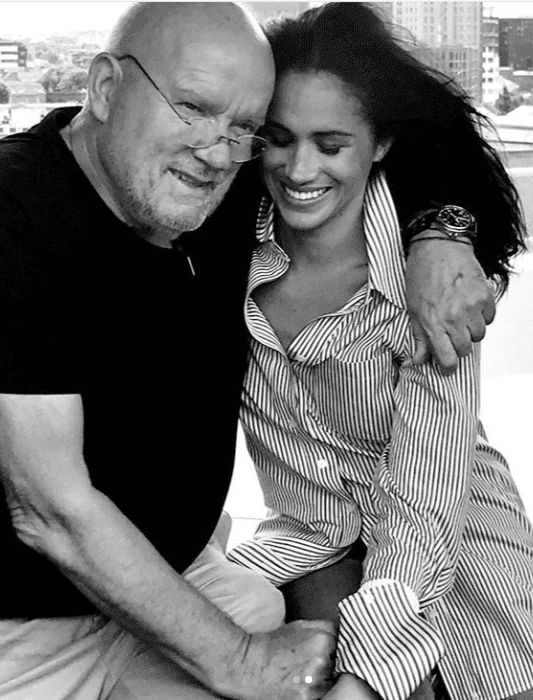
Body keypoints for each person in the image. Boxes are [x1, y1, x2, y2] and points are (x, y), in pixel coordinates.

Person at [0, 3, 495, 700]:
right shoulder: (16, 212)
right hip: (27, 627)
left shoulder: (212, 194)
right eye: (192, 107)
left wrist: (440, 229)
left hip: (174, 586)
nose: (214, 150)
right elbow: (51, 511)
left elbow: (394, 136)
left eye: (241, 129)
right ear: (106, 88)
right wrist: (237, 659)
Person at [225, 4, 533, 700]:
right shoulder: (226, 247)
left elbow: (426, 500)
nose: (298, 167)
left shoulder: (428, 285)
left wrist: (368, 679)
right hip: (315, 537)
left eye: (330, 143)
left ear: (381, 142)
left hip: (457, 527)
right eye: (278, 138)